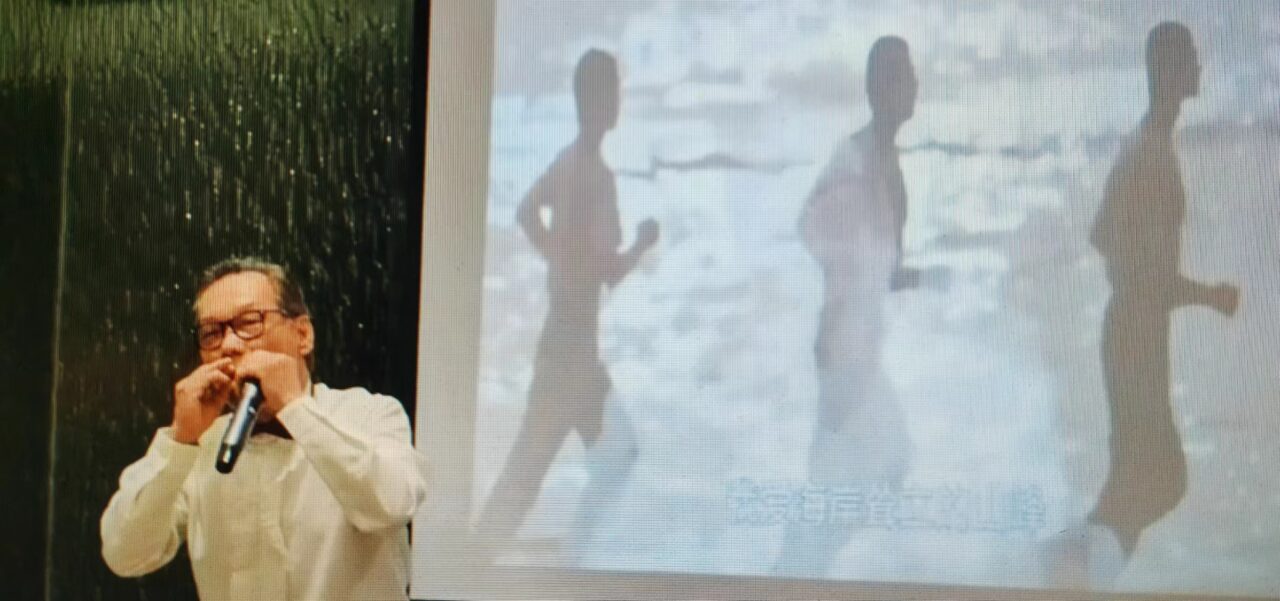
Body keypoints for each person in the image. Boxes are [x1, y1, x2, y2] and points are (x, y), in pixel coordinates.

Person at [100, 258, 428, 601]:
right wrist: (180, 439)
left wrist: (293, 407)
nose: (229, 346)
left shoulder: (368, 414)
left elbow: (392, 504)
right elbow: (125, 554)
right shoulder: (203, 444)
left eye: (249, 322)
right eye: (212, 333)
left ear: (303, 335)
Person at [472, 49, 659, 564]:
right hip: (571, 353)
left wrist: (557, 253)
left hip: (568, 346)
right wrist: (642, 243)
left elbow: (526, 211)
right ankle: (548, 554)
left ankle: (497, 553)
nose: (618, 101)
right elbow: (607, 271)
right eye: (613, 91)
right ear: (596, 100)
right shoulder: (595, 175)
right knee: (599, 456)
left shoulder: (570, 160)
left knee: (541, 466)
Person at [1086, 21, 1238, 576]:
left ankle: (1071, 571)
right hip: (1135, 341)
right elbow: (1143, 273)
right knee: (1152, 482)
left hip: (1134, 336)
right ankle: (1065, 572)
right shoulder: (1150, 153)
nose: (1199, 66)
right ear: (1169, 72)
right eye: (1190, 58)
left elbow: (1102, 235)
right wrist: (1210, 296)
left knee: (1145, 484)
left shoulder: (1145, 143)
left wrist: (1139, 286)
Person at [774, 36, 928, 577]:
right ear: (880, 88)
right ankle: (793, 573)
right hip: (844, 345)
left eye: (912, 74)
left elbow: (876, 258)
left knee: (878, 466)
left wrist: (906, 277)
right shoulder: (855, 158)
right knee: (858, 470)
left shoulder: (886, 159)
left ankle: (799, 569)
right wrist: (852, 279)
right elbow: (811, 226)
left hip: (861, 343)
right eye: (904, 75)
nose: (915, 84)